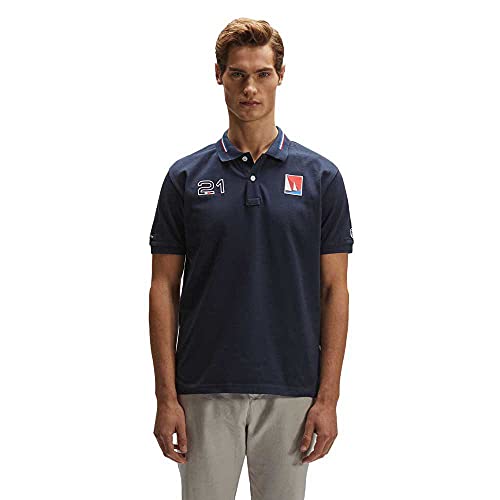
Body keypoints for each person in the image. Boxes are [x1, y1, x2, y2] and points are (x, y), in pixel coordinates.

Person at [148, 17, 354, 500]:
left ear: (281, 75)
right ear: (218, 75)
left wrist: (328, 398)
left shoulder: (321, 178)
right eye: (238, 74)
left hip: (292, 387)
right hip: (203, 386)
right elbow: (163, 288)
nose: (250, 88)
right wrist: (166, 397)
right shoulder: (184, 178)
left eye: (262, 74)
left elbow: (334, 290)